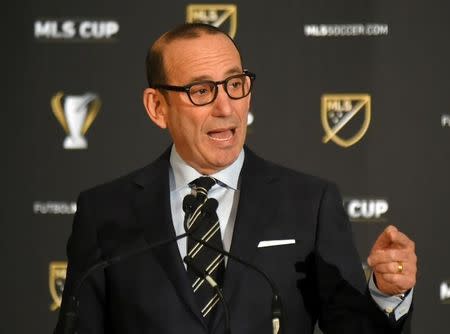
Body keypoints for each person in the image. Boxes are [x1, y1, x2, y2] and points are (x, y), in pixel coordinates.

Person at [55, 23, 417, 334]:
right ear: (157, 107)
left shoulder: (310, 203)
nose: (225, 107)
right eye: (201, 91)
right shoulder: (104, 212)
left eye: (234, 84)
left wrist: (386, 294)